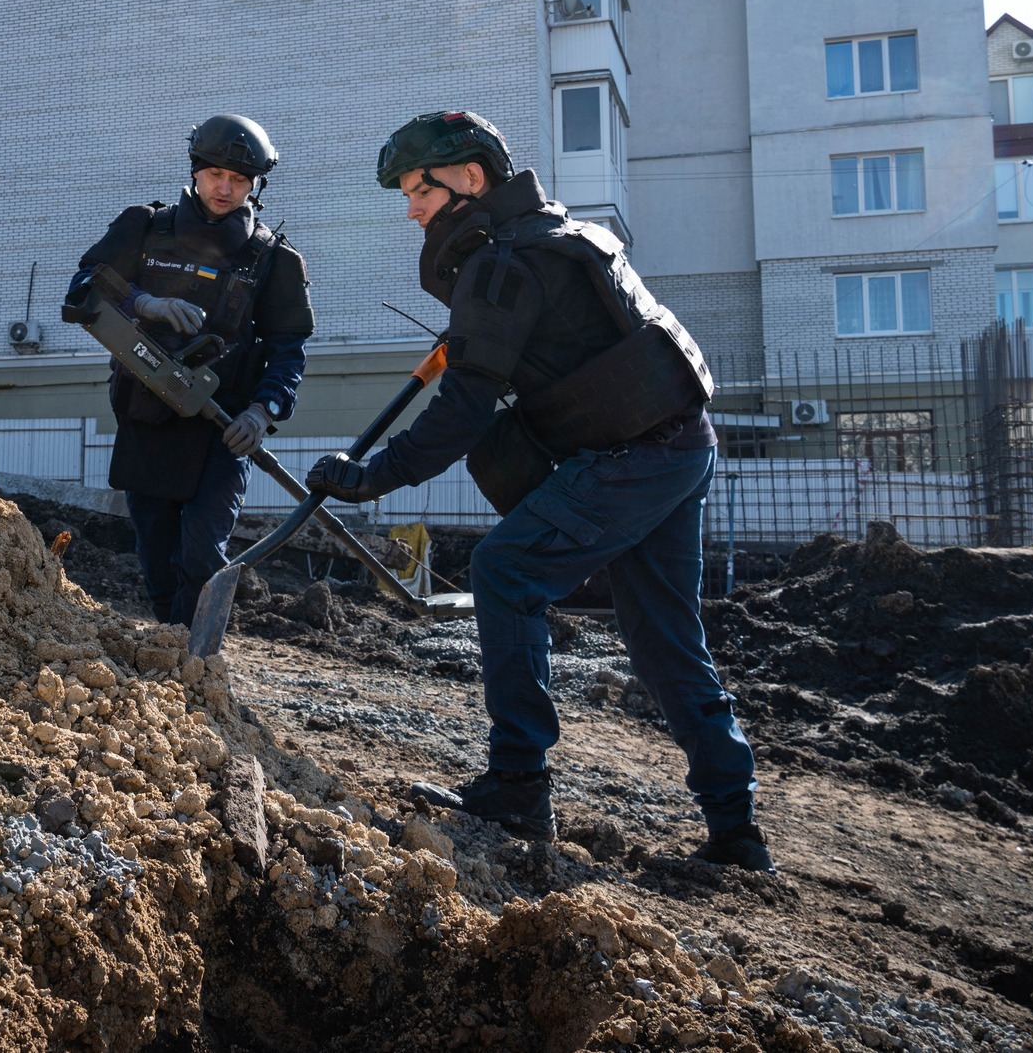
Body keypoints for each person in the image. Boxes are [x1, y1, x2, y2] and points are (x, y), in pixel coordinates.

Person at [304, 110, 770, 871]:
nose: (411, 211)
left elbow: (462, 413)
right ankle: (737, 831)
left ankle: (520, 784)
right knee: (664, 636)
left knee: (505, 569)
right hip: (681, 444)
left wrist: (371, 475)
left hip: (633, 454)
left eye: (419, 190)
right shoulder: (554, 236)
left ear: (471, 178)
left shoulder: (503, 263)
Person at [62, 114, 314, 627]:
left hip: (224, 430)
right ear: (195, 169)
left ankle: (198, 656)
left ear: (255, 185)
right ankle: (173, 648)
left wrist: (263, 412)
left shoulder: (274, 260)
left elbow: (289, 348)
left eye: (239, 179)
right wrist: (142, 302)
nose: (225, 188)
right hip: (147, 421)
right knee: (157, 561)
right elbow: (83, 288)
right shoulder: (144, 228)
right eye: (215, 173)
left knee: (201, 558)